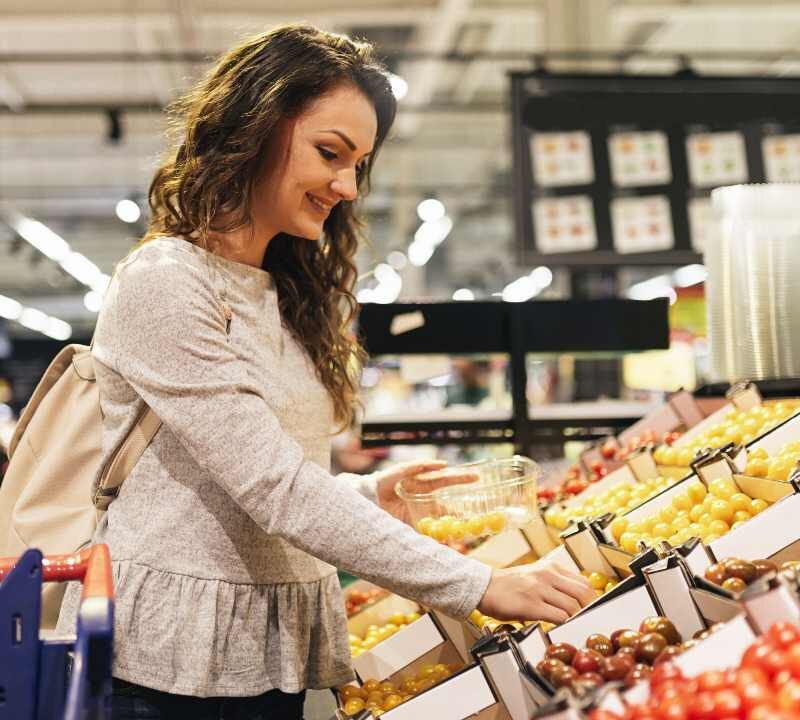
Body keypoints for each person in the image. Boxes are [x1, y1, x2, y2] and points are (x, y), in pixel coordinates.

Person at [56, 24, 594, 720]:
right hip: (166, 667)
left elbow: (261, 470)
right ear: (255, 127)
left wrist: (369, 496)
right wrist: (477, 583)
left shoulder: (282, 290)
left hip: (265, 652)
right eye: (329, 152)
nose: (345, 184)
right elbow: (272, 488)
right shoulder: (166, 283)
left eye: (358, 163)